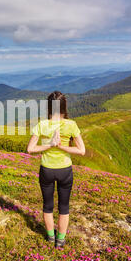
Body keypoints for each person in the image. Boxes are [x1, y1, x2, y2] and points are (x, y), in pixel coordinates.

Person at [27, 91, 86, 248]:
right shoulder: (71, 125)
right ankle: (60, 241)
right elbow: (82, 151)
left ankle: (50, 238)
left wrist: (50, 145)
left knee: (47, 205)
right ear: (64, 106)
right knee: (64, 207)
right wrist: (61, 146)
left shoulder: (42, 125)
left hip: (46, 169)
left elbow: (30, 149)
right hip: (64, 170)